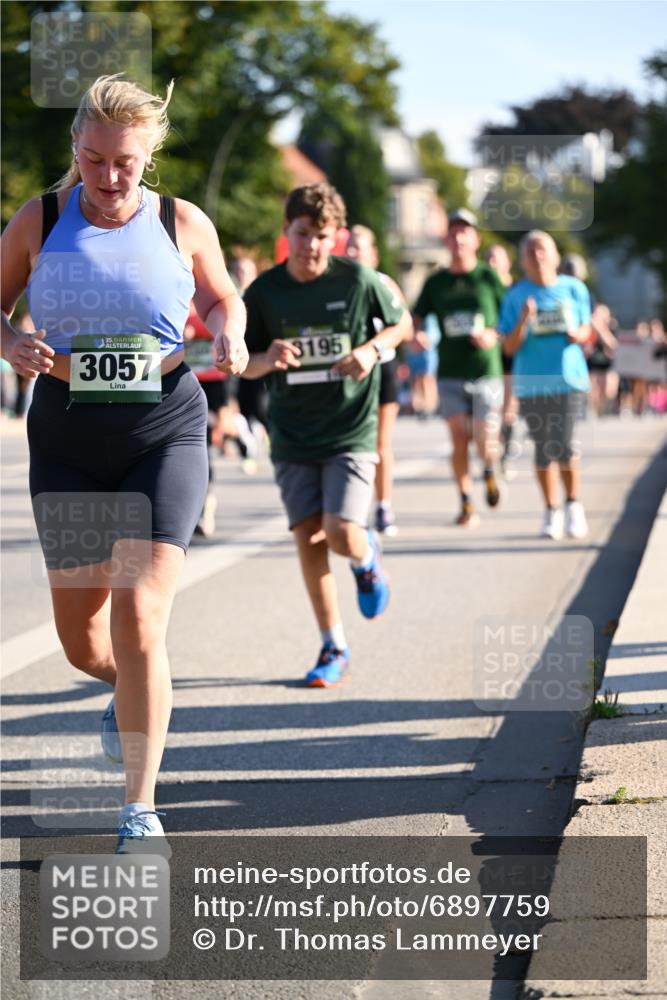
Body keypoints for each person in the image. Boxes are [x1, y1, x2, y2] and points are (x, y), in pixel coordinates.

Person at [0, 75, 247, 850]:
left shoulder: (182, 220)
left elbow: (221, 299)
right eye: (96, 159)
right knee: (85, 646)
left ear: (150, 157)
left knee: (142, 620)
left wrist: (228, 329)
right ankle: (127, 691)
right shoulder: (40, 219)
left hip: (162, 430)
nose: (110, 178)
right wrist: (9, 340)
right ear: (75, 149)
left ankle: (139, 808)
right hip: (69, 442)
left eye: (126, 163)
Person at [242, 183, 411, 687]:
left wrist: (372, 351)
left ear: (335, 237)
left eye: (322, 236)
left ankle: (366, 556)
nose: (311, 245)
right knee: (309, 539)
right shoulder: (265, 292)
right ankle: (333, 643)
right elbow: (241, 363)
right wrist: (265, 360)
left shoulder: (359, 280)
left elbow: (400, 326)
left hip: (350, 429)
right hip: (292, 434)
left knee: (339, 531)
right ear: (286, 232)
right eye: (302, 234)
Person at [413, 209, 505, 527]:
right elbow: (417, 317)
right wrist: (419, 334)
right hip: (450, 371)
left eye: (465, 232)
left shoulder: (487, 277)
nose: (459, 238)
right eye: (453, 232)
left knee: (484, 437)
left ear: (476, 239)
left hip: (485, 369)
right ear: (446, 240)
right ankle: (466, 501)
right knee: (458, 438)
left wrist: (493, 335)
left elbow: (509, 316)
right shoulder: (436, 282)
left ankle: (490, 468)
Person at [499, 230, 591, 539]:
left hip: (568, 379)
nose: (537, 255)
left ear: (554, 255)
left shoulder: (574, 288)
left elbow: (586, 327)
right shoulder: (515, 296)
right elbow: (508, 348)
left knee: (563, 444)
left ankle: (574, 505)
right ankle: (551, 510)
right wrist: (524, 319)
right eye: (531, 251)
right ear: (523, 260)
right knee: (543, 449)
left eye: (543, 249)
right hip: (532, 382)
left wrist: (579, 334)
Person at [345, 224, 413, 536]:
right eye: (348, 246)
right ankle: (351, 509)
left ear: (373, 254)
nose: (352, 252)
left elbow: (406, 327)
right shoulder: (338, 285)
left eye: (359, 247)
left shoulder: (385, 283)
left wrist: (377, 343)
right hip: (349, 372)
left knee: (380, 442)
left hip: (382, 368)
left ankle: (384, 506)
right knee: (350, 442)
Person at [485, 244, 518, 478]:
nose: (491, 263)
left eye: (496, 259)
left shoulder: (514, 290)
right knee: (491, 408)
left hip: (509, 350)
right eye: (488, 259)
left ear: (507, 263)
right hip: (488, 353)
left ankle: (506, 453)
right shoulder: (482, 287)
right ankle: (491, 453)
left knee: (508, 405)